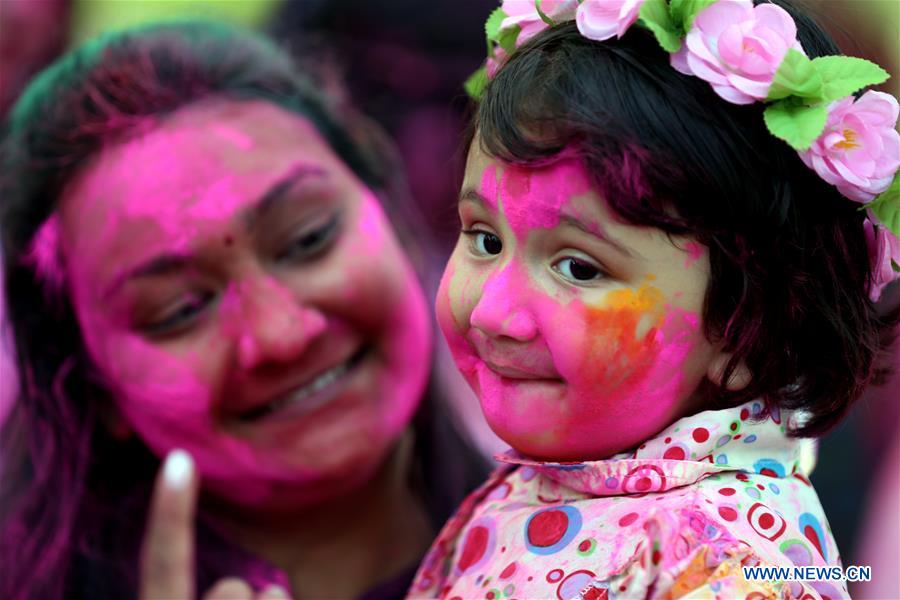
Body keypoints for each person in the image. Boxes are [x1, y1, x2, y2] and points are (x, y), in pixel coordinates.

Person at [409, 0, 900, 598]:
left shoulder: (721, 563)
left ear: (746, 330)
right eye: (486, 240)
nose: (492, 312)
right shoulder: (573, 475)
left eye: (578, 268)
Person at [0, 21, 488, 600]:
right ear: (95, 385)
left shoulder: (580, 544)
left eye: (308, 239)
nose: (282, 334)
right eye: (180, 309)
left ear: (390, 217)